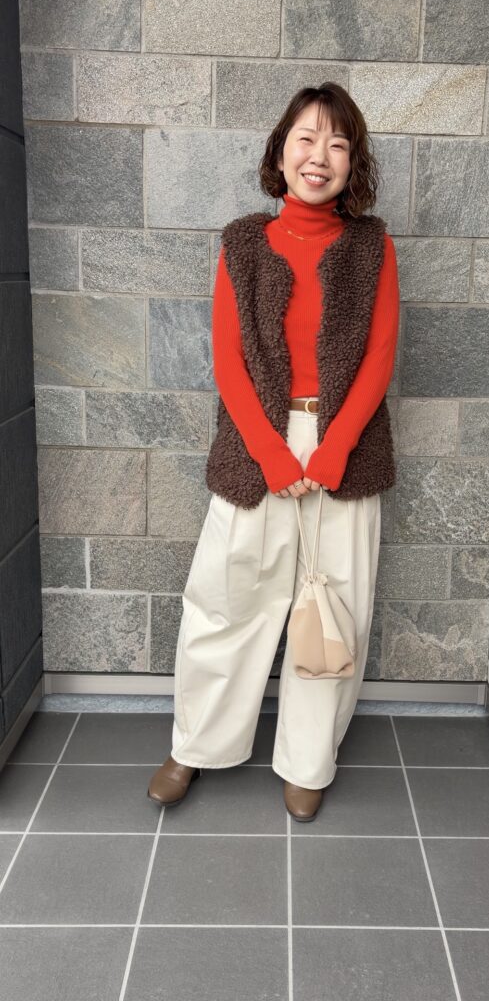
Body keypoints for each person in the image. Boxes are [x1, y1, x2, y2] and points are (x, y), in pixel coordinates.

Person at [148, 82, 400, 822]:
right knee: (225, 600)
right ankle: (196, 743)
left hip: (345, 450)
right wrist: (272, 453)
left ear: (352, 162)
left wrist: (333, 450)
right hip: (256, 447)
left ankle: (307, 759)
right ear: (281, 152)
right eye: (306, 138)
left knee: (334, 608)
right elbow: (228, 360)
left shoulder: (373, 246)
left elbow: (379, 356)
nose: (319, 155)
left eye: (337, 143)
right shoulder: (242, 243)